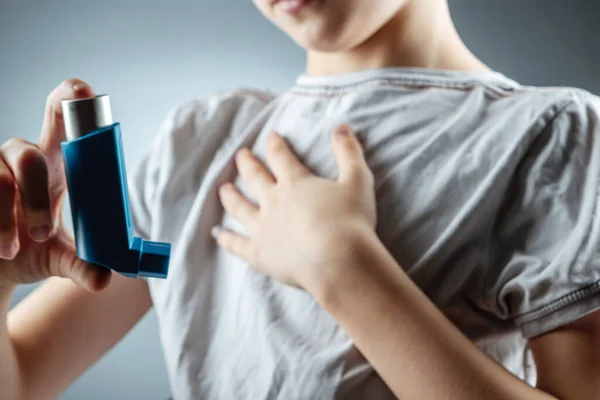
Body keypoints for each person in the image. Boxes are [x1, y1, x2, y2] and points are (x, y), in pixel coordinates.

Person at [1, 0, 599, 398]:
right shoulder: (197, 143)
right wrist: (1, 274)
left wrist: (345, 270)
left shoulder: (552, 134)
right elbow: (20, 377)